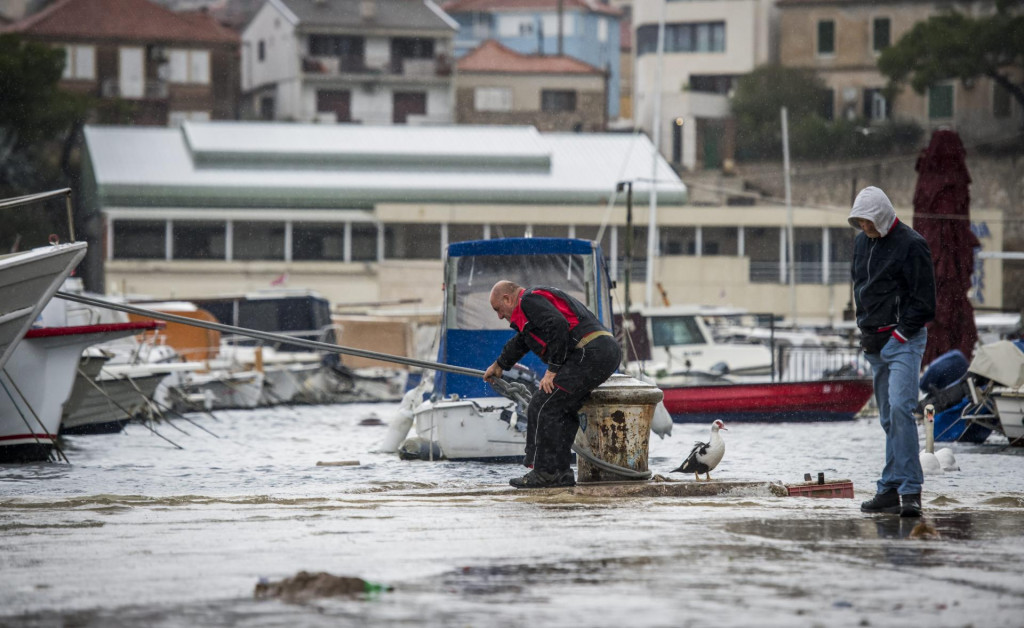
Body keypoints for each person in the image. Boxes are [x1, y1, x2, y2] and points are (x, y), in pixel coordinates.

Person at [483, 280, 621, 489]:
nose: (500, 316)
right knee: (562, 408)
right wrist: (499, 365)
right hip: (603, 351)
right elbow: (523, 340)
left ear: (507, 299)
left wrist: (553, 370)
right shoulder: (532, 306)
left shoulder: (528, 300)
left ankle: (545, 473)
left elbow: (557, 325)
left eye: (498, 309)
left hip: (590, 351)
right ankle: (561, 474)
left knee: (544, 405)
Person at [850, 186, 936, 518]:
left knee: (901, 410)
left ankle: (910, 491)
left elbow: (925, 301)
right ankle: (888, 489)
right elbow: (860, 286)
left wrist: (900, 334)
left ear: (883, 216)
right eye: (860, 223)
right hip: (874, 342)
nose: (865, 229)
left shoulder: (912, 245)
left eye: (869, 222)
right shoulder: (860, 242)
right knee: (889, 419)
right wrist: (864, 328)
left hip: (904, 340)